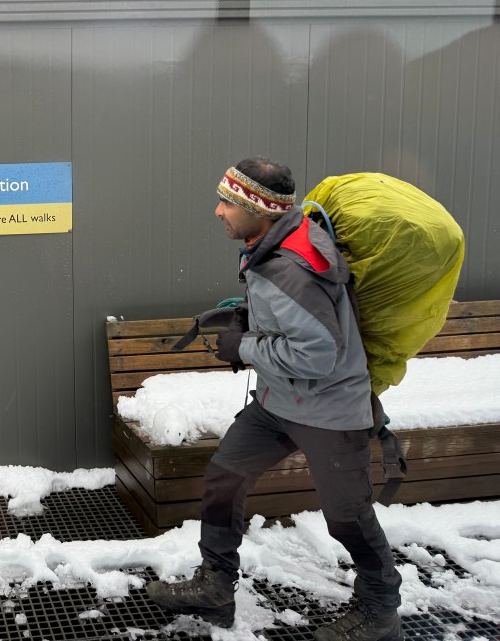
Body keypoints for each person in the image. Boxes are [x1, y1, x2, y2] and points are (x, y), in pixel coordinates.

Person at [146, 158, 404, 641]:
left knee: (348, 517)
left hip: (328, 410)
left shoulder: (289, 270)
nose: (218, 211)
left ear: (259, 210)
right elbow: (295, 321)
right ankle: (215, 585)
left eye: (228, 203)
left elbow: (318, 356)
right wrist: (250, 318)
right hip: (279, 401)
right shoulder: (272, 246)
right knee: (225, 478)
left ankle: (380, 612)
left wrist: (242, 347)